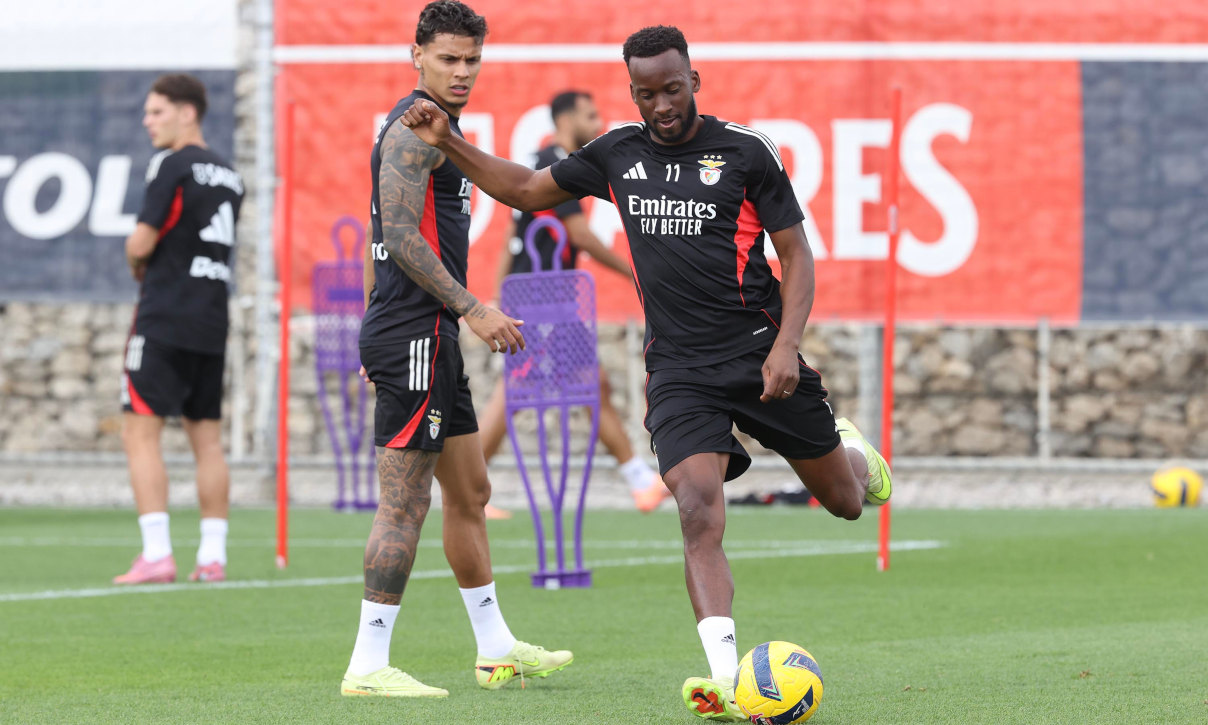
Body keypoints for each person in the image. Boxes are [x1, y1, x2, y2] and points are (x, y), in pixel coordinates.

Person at [398, 24, 892, 721]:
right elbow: (527, 188)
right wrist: (448, 140)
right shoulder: (616, 154)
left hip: (758, 353)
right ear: (631, 92)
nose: (661, 105)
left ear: (695, 81)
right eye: (645, 93)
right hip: (680, 369)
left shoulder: (747, 152)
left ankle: (845, 446)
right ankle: (726, 677)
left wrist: (787, 346)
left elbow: (797, 255)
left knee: (844, 501)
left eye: (673, 89)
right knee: (695, 505)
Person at [342, 0, 571, 699]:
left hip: (427, 334)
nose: (462, 71)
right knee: (402, 502)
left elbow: (386, 240)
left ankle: (495, 647)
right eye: (448, 58)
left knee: (470, 492)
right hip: (418, 334)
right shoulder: (413, 128)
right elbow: (402, 235)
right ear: (417, 55)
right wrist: (472, 306)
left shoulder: (445, 129)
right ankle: (367, 662)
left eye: (472, 59)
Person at [478, 90, 670, 517]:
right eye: (591, 114)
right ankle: (473, 490)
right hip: (544, 299)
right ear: (566, 120)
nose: (599, 121)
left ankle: (639, 480)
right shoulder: (556, 166)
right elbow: (580, 235)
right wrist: (636, 270)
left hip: (540, 296)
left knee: (586, 384)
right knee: (524, 390)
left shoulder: (539, 159)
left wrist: (500, 292)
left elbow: (511, 244)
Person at [114, 74, 243, 586]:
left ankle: (156, 553)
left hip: (165, 317)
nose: (148, 122)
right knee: (206, 441)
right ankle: (212, 557)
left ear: (187, 112)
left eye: (157, 111)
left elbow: (140, 244)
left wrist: (134, 262)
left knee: (139, 432)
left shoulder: (172, 165)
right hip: (212, 319)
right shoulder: (232, 174)